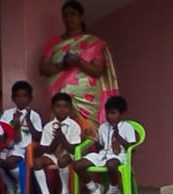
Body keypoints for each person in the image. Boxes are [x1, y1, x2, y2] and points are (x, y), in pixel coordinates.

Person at [38, 0, 117, 133]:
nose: (69, 18)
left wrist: (79, 62)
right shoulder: (54, 42)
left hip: (86, 97)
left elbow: (97, 71)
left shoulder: (93, 42)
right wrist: (64, 64)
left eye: (72, 14)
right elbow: (42, 68)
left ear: (81, 16)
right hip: (59, 95)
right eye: (65, 15)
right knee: (59, 132)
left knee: (88, 133)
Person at [74, 93, 135, 194]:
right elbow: (101, 147)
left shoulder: (127, 127)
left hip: (120, 156)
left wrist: (119, 137)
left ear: (122, 114)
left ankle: (113, 191)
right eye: (107, 113)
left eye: (113, 113)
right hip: (103, 155)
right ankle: (94, 189)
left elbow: (132, 148)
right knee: (78, 164)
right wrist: (93, 139)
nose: (109, 116)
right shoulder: (103, 127)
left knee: (111, 164)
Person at [29, 90, 77, 194]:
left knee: (62, 161)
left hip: (69, 155)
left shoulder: (74, 126)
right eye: (58, 106)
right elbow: (45, 149)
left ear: (70, 109)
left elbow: (73, 149)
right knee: (37, 162)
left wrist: (62, 138)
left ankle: (65, 193)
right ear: (53, 108)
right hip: (52, 155)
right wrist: (55, 141)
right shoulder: (48, 127)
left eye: (65, 107)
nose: (61, 110)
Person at [0, 79, 39, 194]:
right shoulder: (7, 114)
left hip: (24, 150)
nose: (21, 99)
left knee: (10, 162)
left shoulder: (35, 115)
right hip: (7, 147)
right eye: (18, 96)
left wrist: (27, 121)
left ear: (30, 98)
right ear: (13, 98)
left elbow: (37, 136)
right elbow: (2, 134)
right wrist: (13, 126)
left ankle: (20, 187)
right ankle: (10, 187)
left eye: (25, 96)